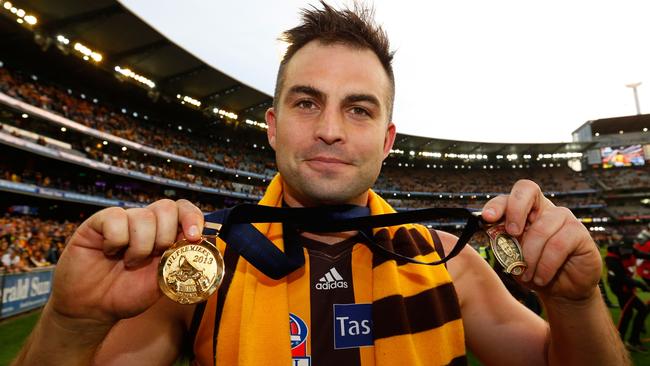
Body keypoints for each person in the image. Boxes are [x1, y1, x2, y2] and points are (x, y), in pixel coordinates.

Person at [14, 2, 627, 365]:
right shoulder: (203, 269)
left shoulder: (449, 262)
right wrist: (71, 322)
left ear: (388, 141)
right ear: (273, 127)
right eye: (308, 103)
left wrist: (575, 303)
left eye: (359, 109)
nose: (331, 130)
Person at [605, 234, 650, 352]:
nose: (627, 253)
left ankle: (627, 341)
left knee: (632, 312)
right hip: (620, 288)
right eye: (625, 251)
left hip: (626, 286)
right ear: (620, 247)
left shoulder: (627, 248)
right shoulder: (611, 259)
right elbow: (621, 278)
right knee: (629, 314)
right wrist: (641, 285)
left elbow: (640, 254)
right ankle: (625, 342)